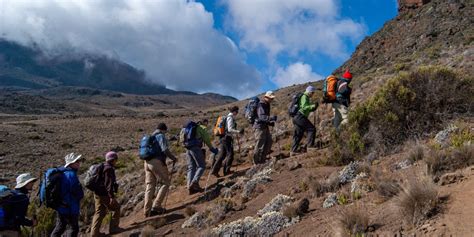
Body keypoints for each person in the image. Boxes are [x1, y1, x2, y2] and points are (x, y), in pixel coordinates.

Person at [144, 123, 177, 217]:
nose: (165, 133)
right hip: (156, 162)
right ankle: (156, 206)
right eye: (165, 131)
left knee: (150, 186)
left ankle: (147, 210)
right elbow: (165, 150)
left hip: (146, 162)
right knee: (166, 183)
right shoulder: (160, 136)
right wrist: (173, 158)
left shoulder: (150, 136)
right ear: (163, 129)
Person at [90, 151, 124, 237]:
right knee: (116, 208)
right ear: (113, 159)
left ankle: (94, 233)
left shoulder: (103, 166)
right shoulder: (109, 169)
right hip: (104, 194)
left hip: (97, 193)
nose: (116, 161)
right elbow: (108, 184)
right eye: (116, 159)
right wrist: (111, 197)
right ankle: (114, 228)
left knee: (99, 212)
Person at [51, 153, 84, 237]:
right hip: (69, 206)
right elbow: (76, 191)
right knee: (73, 228)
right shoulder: (71, 174)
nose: (79, 163)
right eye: (76, 161)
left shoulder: (63, 172)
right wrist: (80, 195)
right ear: (71, 163)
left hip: (61, 206)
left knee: (60, 226)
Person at [182, 120, 218, 195]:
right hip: (196, 148)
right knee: (201, 166)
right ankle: (194, 182)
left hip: (187, 148)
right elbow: (207, 140)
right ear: (204, 123)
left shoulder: (186, 128)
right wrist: (212, 149)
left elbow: (181, 139)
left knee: (191, 167)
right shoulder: (201, 128)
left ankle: (189, 186)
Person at [211, 106, 244, 177]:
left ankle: (214, 170)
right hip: (227, 138)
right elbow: (229, 129)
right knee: (230, 154)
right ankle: (226, 171)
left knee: (222, 155)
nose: (237, 113)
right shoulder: (230, 118)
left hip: (223, 138)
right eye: (237, 111)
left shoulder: (228, 117)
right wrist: (238, 132)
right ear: (234, 111)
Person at [291, 86, 318, 155]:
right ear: (310, 92)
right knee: (311, 129)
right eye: (312, 93)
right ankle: (310, 147)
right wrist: (312, 106)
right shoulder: (304, 96)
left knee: (298, 134)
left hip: (296, 117)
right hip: (300, 116)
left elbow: (305, 107)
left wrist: (313, 108)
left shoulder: (304, 97)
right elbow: (304, 107)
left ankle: (293, 151)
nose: (313, 94)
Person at [253, 91, 277, 165]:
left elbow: (264, 118)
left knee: (268, 142)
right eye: (270, 98)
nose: (271, 100)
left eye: (272, 98)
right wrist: (271, 118)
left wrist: (269, 122)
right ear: (266, 97)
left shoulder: (267, 104)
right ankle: (256, 163)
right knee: (260, 145)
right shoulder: (261, 104)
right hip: (259, 127)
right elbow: (262, 117)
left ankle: (262, 160)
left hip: (264, 126)